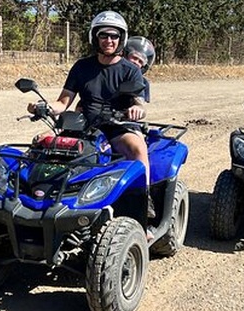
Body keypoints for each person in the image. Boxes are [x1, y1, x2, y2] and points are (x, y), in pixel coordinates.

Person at [26, 11, 153, 217]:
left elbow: (139, 102)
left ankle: (142, 205)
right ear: (95, 37)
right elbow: (63, 102)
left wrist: (136, 110)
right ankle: (37, 197)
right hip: (84, 126)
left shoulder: (130, 70)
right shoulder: (82, 67)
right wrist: (44, 106)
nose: (109, 41)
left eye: (114, 36)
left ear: (122, 39)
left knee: (137, 148)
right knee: (42, 146)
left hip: (118, 127)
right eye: (104, 35)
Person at [122, 36, 155, 103]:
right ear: (125, 55)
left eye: (140, 61)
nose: (136, 62)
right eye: (134, 57)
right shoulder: (112, 72)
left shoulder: (144, 82)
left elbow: (141, 106)